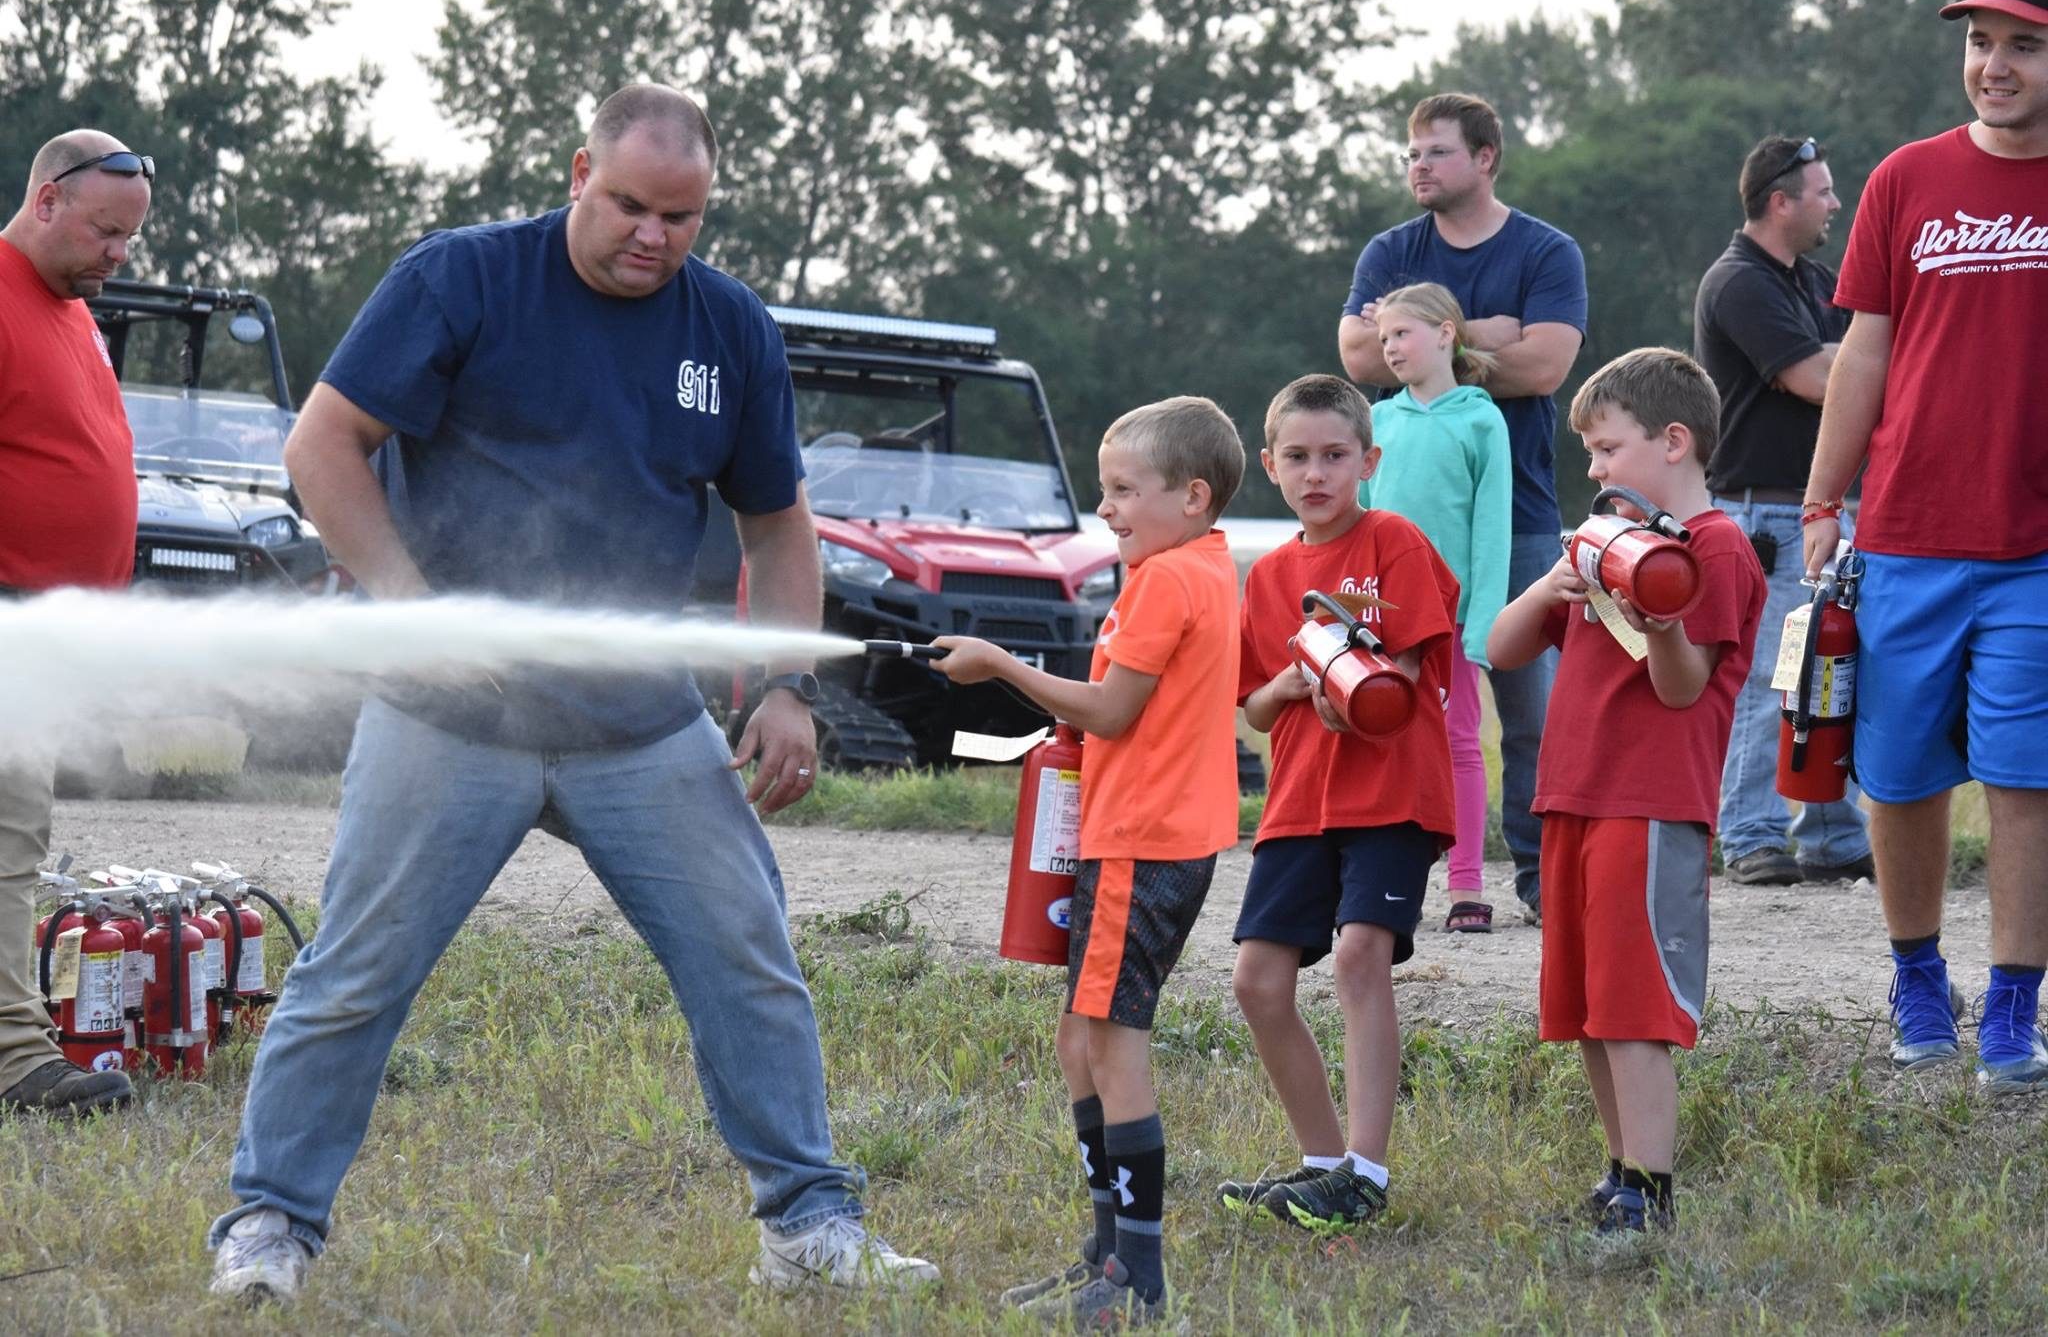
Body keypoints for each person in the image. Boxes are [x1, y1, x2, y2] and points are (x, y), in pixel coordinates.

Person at [206, 85, 935, 1302]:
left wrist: (786, 684)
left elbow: (777, 525)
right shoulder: (461, 280)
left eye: (682, 217)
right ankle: (268, 1228)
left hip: (640, 722)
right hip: (450, 713)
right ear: (577, 170)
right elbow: (321, 448)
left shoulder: (731, 331)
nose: (652, 236)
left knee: (746, 959)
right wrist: (409, 606)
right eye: (630, 205)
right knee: (353, 975)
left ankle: (808, 1228)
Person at [932, 396, 1244, 1328]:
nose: (1105, 508)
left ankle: (1138, 1280)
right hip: (1148, 832)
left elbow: (1113, 711)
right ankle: (1102, 1253)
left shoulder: (1163, 580)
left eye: (1122, 490)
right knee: (1081, 1039)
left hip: (1144, 840)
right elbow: (1129, 706)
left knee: (1113, 1046)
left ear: (1192, 495)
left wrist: (1003, 666)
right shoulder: (1202, 565)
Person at [1801, 0, 2048, 1091]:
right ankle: (1914, 978)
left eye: (2022, 46)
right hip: (1904, 536)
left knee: (2023, 778)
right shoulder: (1906, 179)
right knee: (1895, 780)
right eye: (1981, 42)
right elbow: (1863, 352)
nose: (1993, 64)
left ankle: (2011, 1008)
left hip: (2035, 551)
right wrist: (1820, 500)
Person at [1489, 349, 1764, 1233]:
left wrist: (1663, 617)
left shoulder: (1712, 547)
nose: (1597, 470)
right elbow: (1499, 650)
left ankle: (1651, 1191)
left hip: (1648, 802)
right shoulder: (1611, 540)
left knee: (1636, 1007)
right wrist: (1551, 581)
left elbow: (1682, 686)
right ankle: (1618, 1176)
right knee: (1591, 1009)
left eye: (1608, 449)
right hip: (1573, 795)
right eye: (1592, 456)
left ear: (1673, 441)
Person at [1217, 374, 1459, 1228]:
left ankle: (1368, 1173)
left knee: (1361, 956)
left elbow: (1412, 671)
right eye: (1297, 457)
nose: (1315, 473)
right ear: (1270, 465)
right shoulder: (1271, 573)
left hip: (1391, 792)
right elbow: (1249, 704)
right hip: (1297, 800)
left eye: (1334, 455)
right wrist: (1290, 681)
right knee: (1257, 981)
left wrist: (1352, 688)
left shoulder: (1392, 539)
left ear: (1369, 459)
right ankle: (1320, 1161)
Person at [1339, 92, 1588, 922]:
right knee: (1391, 708)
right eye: (1412, 151)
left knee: (1529, 713)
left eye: (1437, 151)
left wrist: (1432, 333)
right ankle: (1415, 875)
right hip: (1403, 542)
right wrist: (1492, 331)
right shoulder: (1389, 248)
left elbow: (1547, 366)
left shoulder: (1545, 250)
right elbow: (1354, 354)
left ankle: (1542, 878)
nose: (1419, 165)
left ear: (1485, 157)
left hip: (1514, 522)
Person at [0, 130, 150, 1119]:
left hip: (44, 638)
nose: (117, 256)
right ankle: (14, 1063)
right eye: (104, 232)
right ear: (47, 200)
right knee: (7, 837)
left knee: (17, 832)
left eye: (131, 241)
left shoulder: (72, 312)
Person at [1694, 134, 1873, 888]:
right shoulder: (1739, 281)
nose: (1836, 203)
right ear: (1780, 201)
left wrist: (1868, 363)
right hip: (1764, 516)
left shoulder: (1811, 279)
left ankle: (1830, 830)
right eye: (1823, 192)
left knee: (1833, 677)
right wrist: (1875, 367)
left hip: (1818, 511)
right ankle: (1751, 830)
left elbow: (1862, 357)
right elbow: (1822, 374)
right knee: (1770, 674)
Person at [1359, 283, 1510, 931]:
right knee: (1385, 745)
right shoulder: (1379, 424)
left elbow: (1491, 530)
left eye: (1403, 333)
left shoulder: (1482, 420)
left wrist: (1482, 628)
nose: (1390, 347)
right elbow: (1360, 524)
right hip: (1382, 618)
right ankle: (1388, 883)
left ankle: (1466, 886)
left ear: (1447, 332)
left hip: (1449, 621)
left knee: (1458, 745)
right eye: (1384, 336)